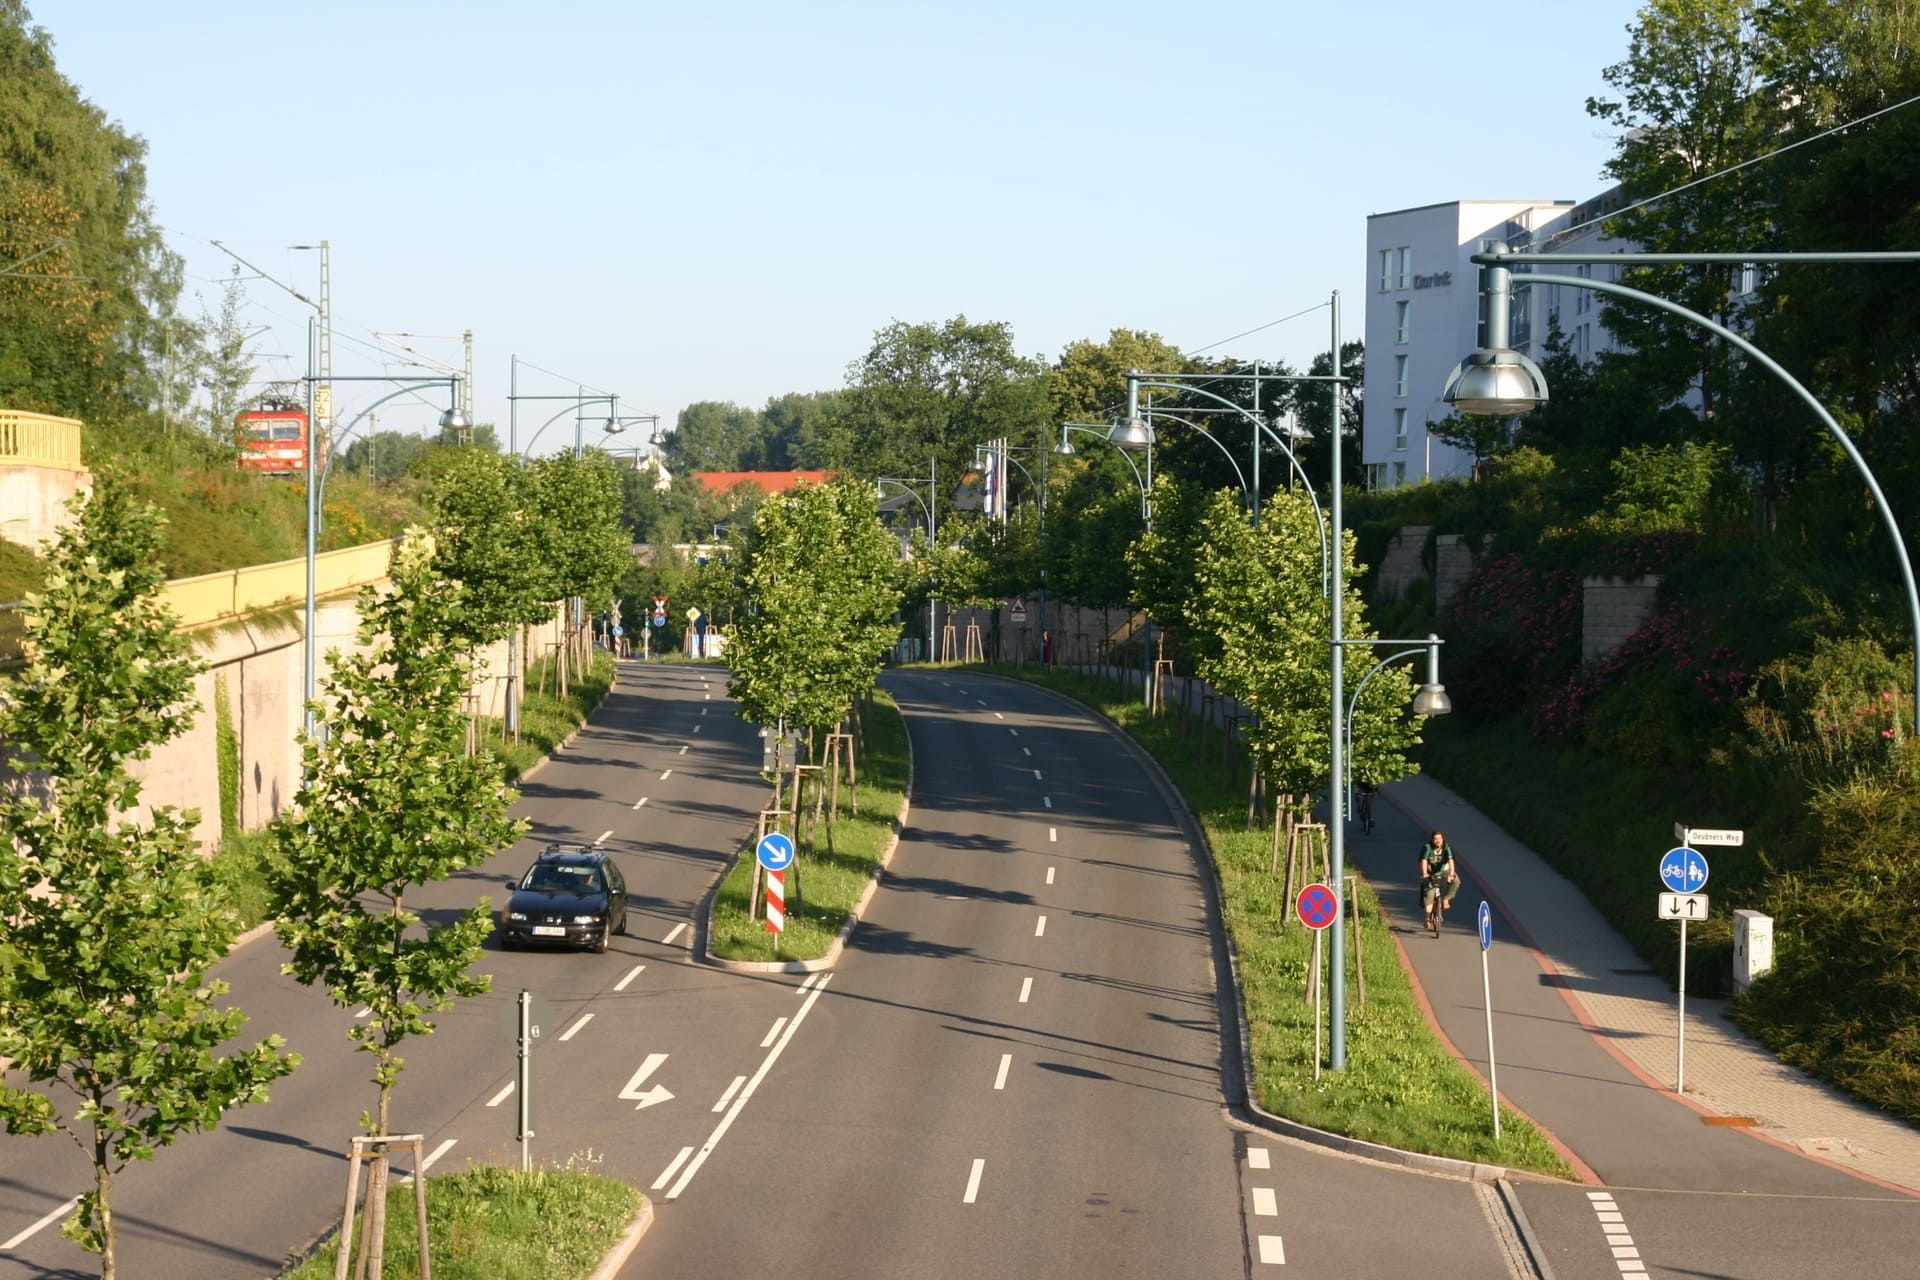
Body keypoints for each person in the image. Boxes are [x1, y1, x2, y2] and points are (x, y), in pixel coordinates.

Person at [1418, 830, 1458, 932]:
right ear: (1432, 840)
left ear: (1442, 839)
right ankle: (1427, 919)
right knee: (1429, 894)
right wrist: (1424, 874)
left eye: (1439, 839)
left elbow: (1451, 861)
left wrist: (1451, 874)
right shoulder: (1427, 848)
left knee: (1456, 881)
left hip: (1444, 872)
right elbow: (1423, 861)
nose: (1438, 841)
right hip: (1431, 873)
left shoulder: (1446, 847)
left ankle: (1446, 899)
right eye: (1435, 839)